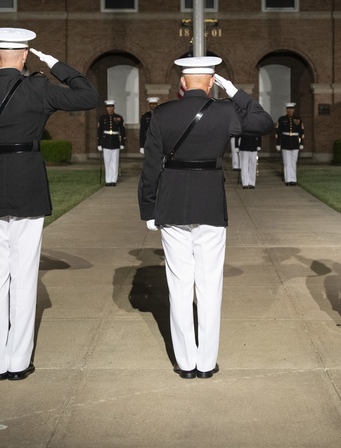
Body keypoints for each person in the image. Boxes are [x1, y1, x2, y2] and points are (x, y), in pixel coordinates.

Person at [0, 27, 98, 381]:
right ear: (25, 57)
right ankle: (18, 362)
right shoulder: (38, 87)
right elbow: (88, 95)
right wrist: (55, 64)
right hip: (28, 185)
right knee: (24, 275)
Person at [138, 56, 273, 379]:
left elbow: (151, 167)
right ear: (211, 82)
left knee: (179, 284)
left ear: (182, 84)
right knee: (209, 284)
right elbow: (264, 122)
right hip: (210, 203)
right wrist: (234, 91)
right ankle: (206, 362)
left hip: (171, 205)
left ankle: (185, 362)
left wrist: (148, 207)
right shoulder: (225, 111)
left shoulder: (161, 114)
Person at [96, 100, 125, 185]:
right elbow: (99, 131)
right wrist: (99, 143)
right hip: (106, 142)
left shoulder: (118, 117)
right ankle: (108, 180)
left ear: (114, 107)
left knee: (115, 162)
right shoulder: (102, 118)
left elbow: (122, 131)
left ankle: (113, 180)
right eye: (108, 107)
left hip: (115, 141)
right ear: (106, 108)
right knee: (107, 162)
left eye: (111, 107)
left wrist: (122, 142)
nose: (110, 109)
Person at [275, 102, 305, 185]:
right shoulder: (281, 119)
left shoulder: (298, 119)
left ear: (294, 110)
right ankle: (288, 179)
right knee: (287, 162)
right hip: (285, 142)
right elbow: (278, 132)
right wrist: (278, 143)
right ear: (286, 109)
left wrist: (301, 142)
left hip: (295, 142)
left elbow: (301, 132)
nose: (290, 110)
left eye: (291, 109)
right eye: (288, 109)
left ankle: (293, 179)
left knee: (293, 162)